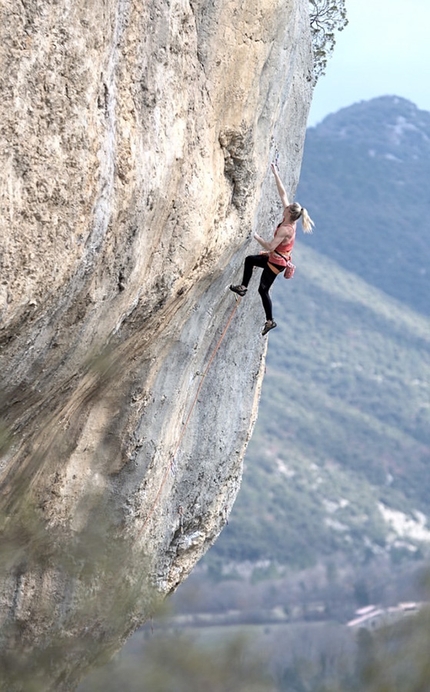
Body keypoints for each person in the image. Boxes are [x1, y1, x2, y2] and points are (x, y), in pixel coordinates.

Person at [230, 162, 314, 335]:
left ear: (290, 213)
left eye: (287, 208)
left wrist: (255, 235)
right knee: (250, 260)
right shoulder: (290, 219)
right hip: (276, 258)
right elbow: (283, 193)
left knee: (263, 289)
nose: (284, 208)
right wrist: (275, 173)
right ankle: (243, 287)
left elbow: (270, 245)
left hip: (277, 263)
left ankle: (270, 321)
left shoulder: (286, 230)